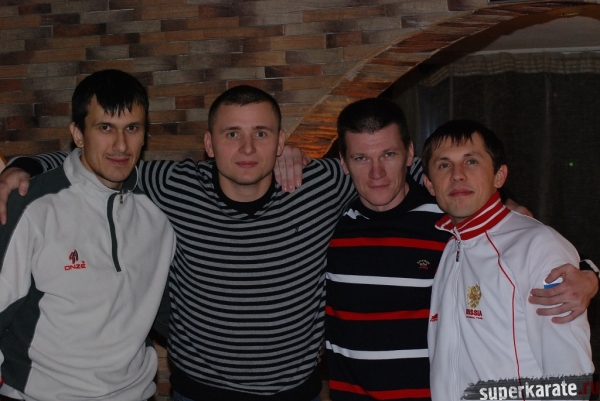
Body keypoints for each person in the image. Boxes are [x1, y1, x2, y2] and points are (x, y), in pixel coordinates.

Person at [0, 89, 596, 400]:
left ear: (281, 139)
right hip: (200, 392)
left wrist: (574, 260)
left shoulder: (379, 196)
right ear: (208, 144)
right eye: (233, 134)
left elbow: (449, 178)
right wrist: (28, 165)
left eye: (262, 133)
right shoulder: (175, 183)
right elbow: (104, 161)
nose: (248, 148)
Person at [0, 69, 176, 400]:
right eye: (105, 128)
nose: (121, 145)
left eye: (132, 128)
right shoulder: (32, 206)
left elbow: (172, 317)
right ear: (78, 134)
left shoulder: (157, 214)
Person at [422, 120, 594, 401]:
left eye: (471, 161)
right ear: (429, 184)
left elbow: (570, 378)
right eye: (444, 165)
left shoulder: (537, 245)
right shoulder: (452, 247)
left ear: (499, 176)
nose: (457, 175)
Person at [324, 98, 449, 400]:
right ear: (343, 163)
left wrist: (573, 275)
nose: (376, 172)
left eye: (388, 154)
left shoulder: (448, 222)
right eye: (361, 158)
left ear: (409, 154)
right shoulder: (328, 225)